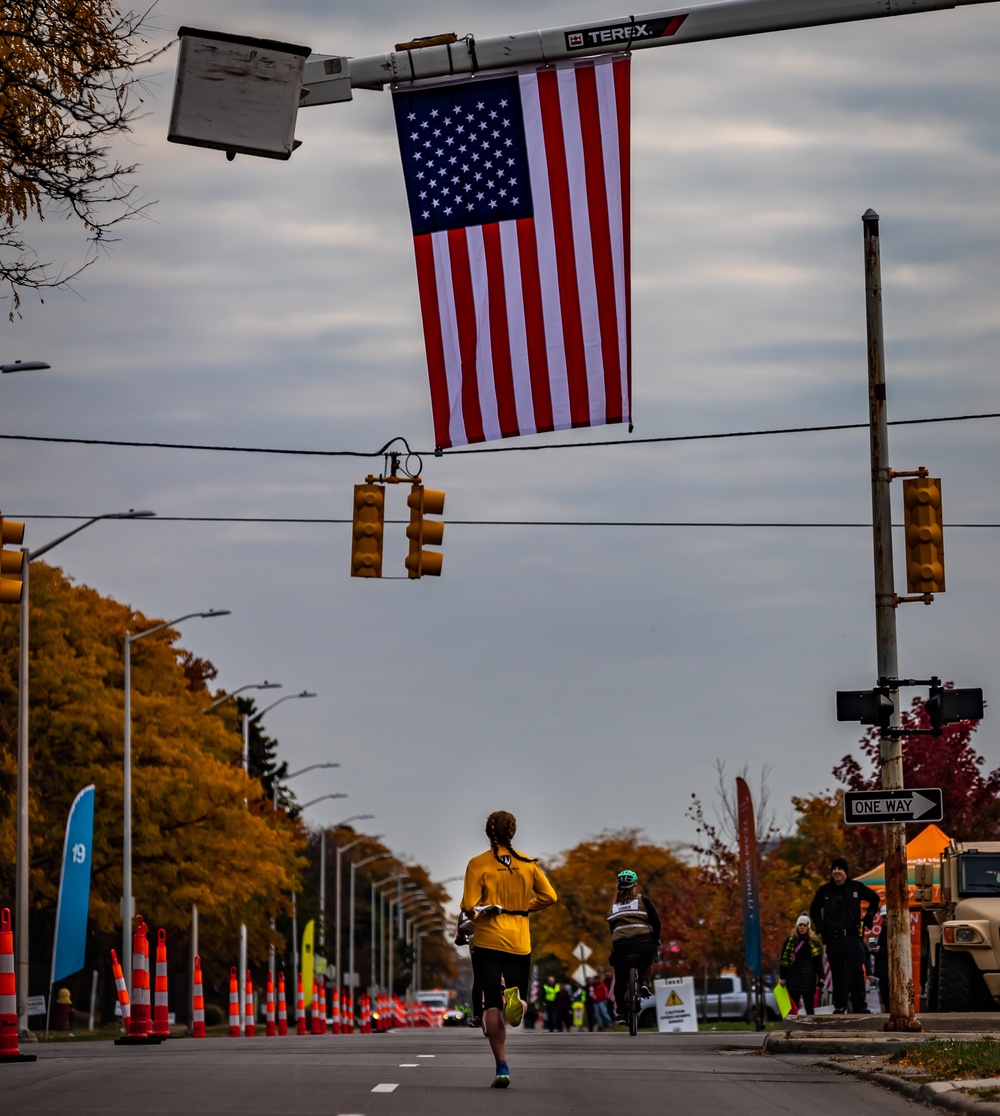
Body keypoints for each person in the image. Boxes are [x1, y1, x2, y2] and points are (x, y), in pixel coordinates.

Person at [462, 810, 558, 1088]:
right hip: (519, 939)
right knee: (519, 994)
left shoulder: (478, 864)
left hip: (488, 939)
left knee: (490, 1002)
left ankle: (502, 1066)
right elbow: (550, 896)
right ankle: (516, 1006)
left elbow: (468, 905)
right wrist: (523, 907)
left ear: (487, 833)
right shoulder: (528, 864)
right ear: (513, 833)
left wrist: (482, 910)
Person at [810, 856, 880, 1014]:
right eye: (834, 869)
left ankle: (860, 1005)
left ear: (846, 872)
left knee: (856, 972)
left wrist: (868, 917)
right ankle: (839, 1005)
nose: (836, 872)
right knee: (838, 974)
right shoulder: (825, 890)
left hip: (852, 937)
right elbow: (814, 909)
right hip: (834, 939)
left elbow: (874, 898)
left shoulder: (856, 888)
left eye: (839, 869)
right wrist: (820, 927)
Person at [606, 869, 661, 1020]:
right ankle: (644, 983)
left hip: (621, 945)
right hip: (643, 942)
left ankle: (622, 1012)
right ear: (634, 884)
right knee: (647, 959)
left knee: (621, 979)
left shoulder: (614, 906)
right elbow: (656, 921)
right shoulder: (643, 900)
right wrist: (655, 939)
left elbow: (611, 926)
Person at [779, 913, 823, 1016]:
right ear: (797, 926)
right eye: (800, 925)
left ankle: (810, 1028)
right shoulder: (790, 941)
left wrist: (821, 977)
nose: (802, 927)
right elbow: (784, 960)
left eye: (804, 925)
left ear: (808, 927)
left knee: (809, 1007)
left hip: (808, 978)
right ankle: (792, 1028)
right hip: (793, 977)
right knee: (793, 1007)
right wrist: (783, 977)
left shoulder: (813, 942)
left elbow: (818, 961)